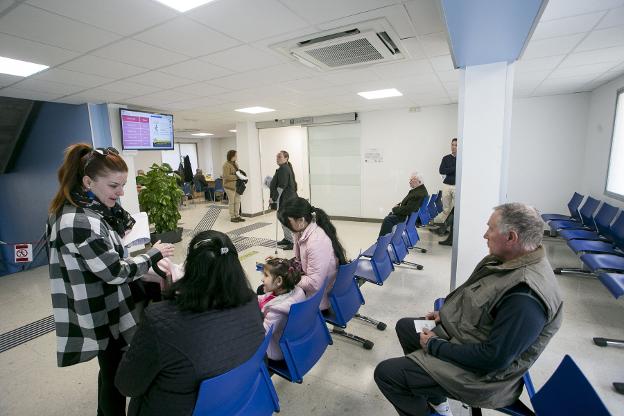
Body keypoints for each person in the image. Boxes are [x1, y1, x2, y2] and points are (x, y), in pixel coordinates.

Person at [374, 203, 563, 416]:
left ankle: (426, 391)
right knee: (407, 327)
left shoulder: (526, 296)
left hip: (481, 378)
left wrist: (435, 346)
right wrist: (444, 314)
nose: (485, 235)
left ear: (511, 237)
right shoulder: (508, 261)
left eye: (491, 229)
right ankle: (437, 401)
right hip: (466, 338)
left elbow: (494, 358)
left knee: (387, 374)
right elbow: (480, 299)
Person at [46, 144, 175, 416]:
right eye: (114, 186)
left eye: (123, 185)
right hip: (99, 309)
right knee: (116, 376)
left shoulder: (89, 210)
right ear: (88, 181)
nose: (121, 192)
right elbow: (115, 271)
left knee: (110, 369)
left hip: (105, 302)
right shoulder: (79, 220)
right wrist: (153, 255)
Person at [115, 231, 265, 416]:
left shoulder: (160, 320)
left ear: (190, 268)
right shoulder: (250, 301)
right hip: (236, 403)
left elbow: (127, 385)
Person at [278, 197, 347, 311]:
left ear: (301, 220)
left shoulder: (315, 241)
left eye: (288, 223)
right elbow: (299, 260)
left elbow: (315, 283)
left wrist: (286, 278)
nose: (286, 226)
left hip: (319, 298)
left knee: (270, 291)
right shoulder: (302, 231)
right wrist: (280, 263)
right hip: (319, 287)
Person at [258, 257, 306, 360]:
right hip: (288, 342)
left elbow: (261, 337)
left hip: (273, 352)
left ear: (279, 281)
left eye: (266, 275)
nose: (262, 279)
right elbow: (265, 299)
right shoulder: (293, 291)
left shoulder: (277, 311)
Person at [270, 150, 298, 250]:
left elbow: (281, 186)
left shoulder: (284, 169)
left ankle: (291, 241)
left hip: (286, 199)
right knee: (283, 219)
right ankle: (287, 238)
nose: (277, 158)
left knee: (286, 220)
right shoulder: (284, 168)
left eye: (280, 157)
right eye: (277, 156)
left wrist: (273, 198)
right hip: (285, 198)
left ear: (286, 158)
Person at [434, 138, 457, 235]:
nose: (453, 147)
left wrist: (449, 169)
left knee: (455, 209)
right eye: (452, 144)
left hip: (457, 186)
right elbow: (442, 171)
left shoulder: (462, 159)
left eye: (456, 145)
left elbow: (448, 170)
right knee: (446, 209)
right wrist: (455, 168)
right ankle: (444, 230)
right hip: (447, 185)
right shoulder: (446, 158)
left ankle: (452, 231)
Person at [222, 150, 245, 222]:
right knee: (232, 201)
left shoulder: (236, 164)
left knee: (237, 201)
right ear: (232, 156)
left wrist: (242, 176)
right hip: (229, 186)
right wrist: (237, 177)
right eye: (235, 155)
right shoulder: (226, 165)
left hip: (236, 186)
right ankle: (232, 217)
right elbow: (226, 176)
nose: (237, 157)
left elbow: (237, 173)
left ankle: (237, 215)